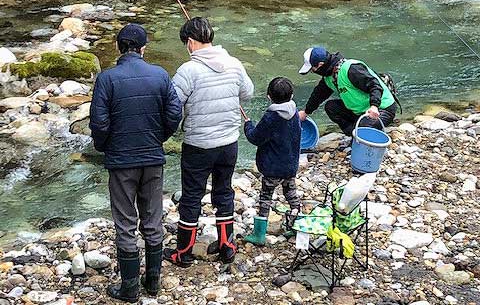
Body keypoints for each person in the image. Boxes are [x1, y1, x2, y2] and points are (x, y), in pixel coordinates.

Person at [89, 24, 182, 303]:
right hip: (153, 158)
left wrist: (105, 147)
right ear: (143, 48)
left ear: (119, 47)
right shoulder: (161, 75)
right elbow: (175, 113)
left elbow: (99, 122)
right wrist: (159, 138)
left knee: (125, 222)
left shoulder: (107, 78)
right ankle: (153, 281)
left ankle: (129, 288)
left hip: (121, 162)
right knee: (153, 220)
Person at [163, 17, 254, 267]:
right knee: (224, 191)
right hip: (229, 144)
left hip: (198, 145)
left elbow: (172, 107)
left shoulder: (187, 70)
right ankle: (227, 246)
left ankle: (184, 253)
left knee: (191, 197)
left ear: (191, 42)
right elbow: (248, 93)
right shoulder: (234, 64)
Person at [243, 77, 302, 246]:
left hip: (272, 168)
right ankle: (296, 226)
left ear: (268, 96)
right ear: (292, 95)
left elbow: (255, 138)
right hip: (290, 165)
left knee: (266, 197)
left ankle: (259, 235)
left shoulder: (271, 117)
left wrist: (248, 125)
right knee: (291, 194)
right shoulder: (294, 112)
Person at [298, 47, 397, 135]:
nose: (312, 72)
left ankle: (359, 133)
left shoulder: (351, 69)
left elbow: (375, 86)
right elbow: (318, 95)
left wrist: (374, 106)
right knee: (331, 107)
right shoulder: (329, 77)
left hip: (382, 109)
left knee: (361, 131)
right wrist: (306, 112)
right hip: (361, 112)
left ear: (320, 64)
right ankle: (353, 133)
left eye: (312, 69)